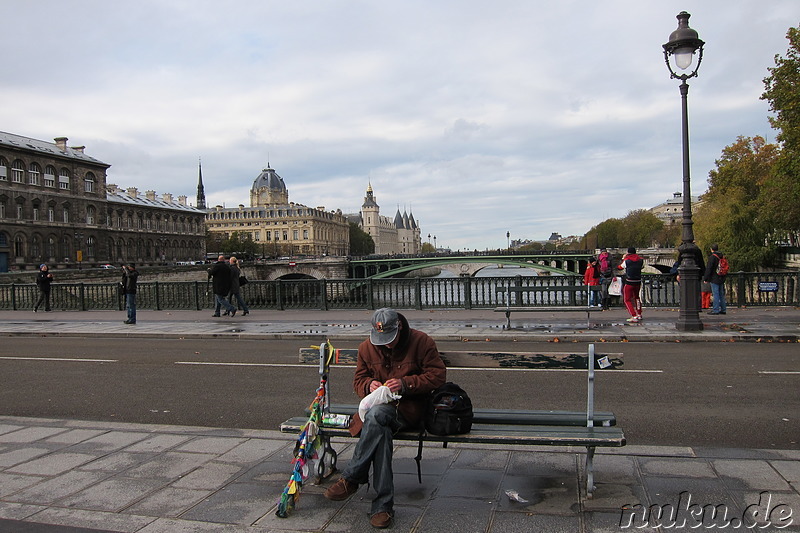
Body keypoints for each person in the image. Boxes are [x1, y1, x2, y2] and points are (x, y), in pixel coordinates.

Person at [324, 308, 446, 529]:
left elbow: (437, 376)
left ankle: (352, 477)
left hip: (409, 410)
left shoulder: (421, 342)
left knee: (376, 417)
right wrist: (368, 385)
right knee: (379, 428)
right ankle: (382, 508)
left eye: (389, 339)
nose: (386, 344)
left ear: (399, 326)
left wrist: (406, 384)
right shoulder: (366, 348)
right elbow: (359, 380)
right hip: (377, 413)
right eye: (381, 340)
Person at [617, 247, 644, 323]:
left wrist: (623, 258)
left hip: (629, 281)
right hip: (638, 281)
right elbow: (642, 267)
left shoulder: (627, 261)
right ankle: (639, 314)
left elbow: (620, 267)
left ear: (628, 253)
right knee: (637, 297)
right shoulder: (641, 260)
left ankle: (633, 315)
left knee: (627, 299)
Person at [704, 243, 727, 315]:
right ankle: (723, 309)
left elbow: (709, 269)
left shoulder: (712, 257)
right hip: (721, 277)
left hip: (714, 278)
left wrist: (706, 278)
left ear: (711, 249)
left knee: (715, 294)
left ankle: (715, 309)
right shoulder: (721, 256)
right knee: (721, 294)